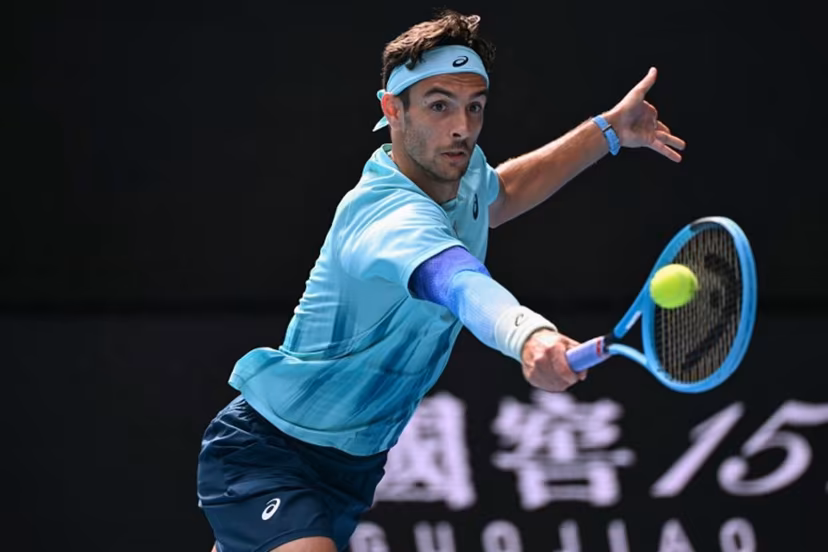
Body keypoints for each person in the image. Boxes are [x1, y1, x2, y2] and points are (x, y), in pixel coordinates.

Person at [196, 9, 685, 552]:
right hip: (271, 449)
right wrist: (529, 335)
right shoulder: (385, 216)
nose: (462, 128)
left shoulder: (462, 171)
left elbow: (503, 193)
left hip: (353, 465)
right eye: (438, 106)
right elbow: (457, 281)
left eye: (474, 108)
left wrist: (609, 131)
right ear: (392, 109)